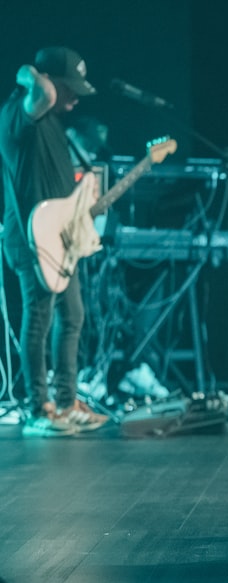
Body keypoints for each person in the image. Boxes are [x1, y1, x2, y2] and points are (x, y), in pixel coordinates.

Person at [0, 47, 109, 436]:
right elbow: (43, 93)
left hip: (59, 237)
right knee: (39, 319)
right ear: (49, 81)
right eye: (71, 87)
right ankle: (38, 408)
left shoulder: (53, 125)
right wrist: (27, 71)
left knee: (73, 316)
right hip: (30, 238)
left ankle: (66, 402)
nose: (76, 97)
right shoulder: (20, 113)